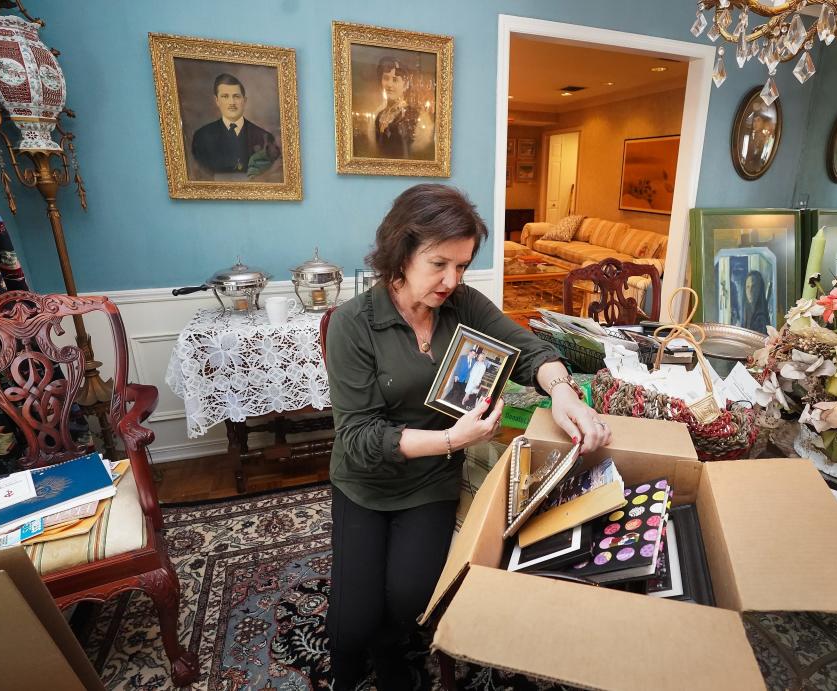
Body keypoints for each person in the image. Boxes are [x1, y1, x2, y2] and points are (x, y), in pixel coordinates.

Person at [324, 183, 611, 690]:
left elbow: (528, 350)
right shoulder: (354, 323)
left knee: (411, 600)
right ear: (400, 251)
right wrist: (455, 440)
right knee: (351, 625)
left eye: (461, 266)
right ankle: (358, 653)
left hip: (430, 482)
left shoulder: (463, 305)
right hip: (365, 482)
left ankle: (390, 647)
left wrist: (562, 391)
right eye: (439, 264)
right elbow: (360, 440)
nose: (451, 280)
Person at [190, 73, 280, 179]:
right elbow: (202, 174)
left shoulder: (264, 136)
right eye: (225, 96)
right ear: (217, 101)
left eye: (236, 96)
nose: (231, 102)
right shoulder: (202, 137)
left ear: (244, 101)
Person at [372, 56, 433, 160]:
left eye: (395, 80)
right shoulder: (379, 115)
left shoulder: (416, 117)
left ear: (405, 85)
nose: (389, 84)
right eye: (386, 78)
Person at [742, 270, 770, 334]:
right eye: (748, 287)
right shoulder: (747, 312)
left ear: (759, 289)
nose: (750, 291)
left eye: (753, 287)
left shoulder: (761, 319)